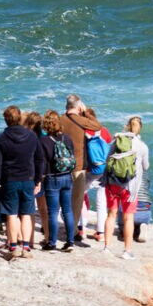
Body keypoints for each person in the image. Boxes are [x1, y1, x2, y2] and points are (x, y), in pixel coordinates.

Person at [0, 105, 44, 260]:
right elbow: (39, 159)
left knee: (11, 215)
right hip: (28, 179)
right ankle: (26, 248)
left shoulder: (0, 138)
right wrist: (38, 179)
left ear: (5, 120)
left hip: (9, 180)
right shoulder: (32, 136)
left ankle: (13, 247)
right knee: (27, 213)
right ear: (20, 117)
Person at [102, 116, 150, 259]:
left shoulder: (117, 140)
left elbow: (107, 159)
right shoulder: (142, 146)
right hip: (130, 187)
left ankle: (107, 247)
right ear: (140, 128)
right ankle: (127, 251)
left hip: (112, 184)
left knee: (111, 214)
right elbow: (146, 166)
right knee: (128, 218)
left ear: (127, 126)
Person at [60, 94, 103, 244]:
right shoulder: (81, 119)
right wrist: (86, 112)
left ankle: (63, 226)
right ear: (78, 106)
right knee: (77, 200)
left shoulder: (60, 120)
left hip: (60, 166)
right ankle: (71, 231)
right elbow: (97, 126)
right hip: (78, 166)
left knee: (62, 199)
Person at [38, 110, 75, 251]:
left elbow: (42, 162)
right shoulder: (67, 138)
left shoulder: (43, 141)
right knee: (67, 210)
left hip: (52, 178)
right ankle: (70, 242)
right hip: (67, 176)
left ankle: (52, 243)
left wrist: (39, 178)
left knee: (53, 211)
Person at [23, 111, 48, 247]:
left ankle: (30, 240)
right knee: (43, 208)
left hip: (31, 175)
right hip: (44, 175)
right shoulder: (44, 137)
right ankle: (48, 237)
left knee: (30, 209)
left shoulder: (28, 137)